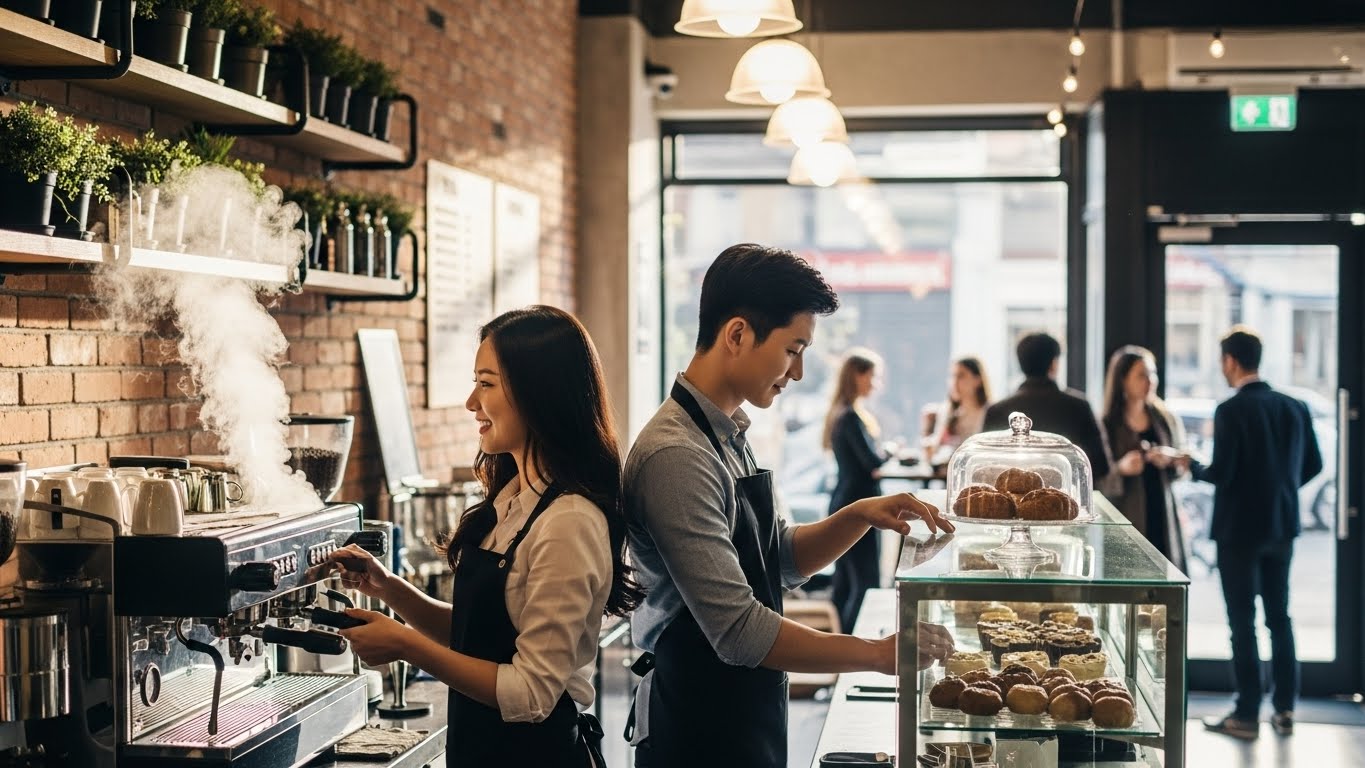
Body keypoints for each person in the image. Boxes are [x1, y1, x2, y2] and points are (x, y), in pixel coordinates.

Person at [623, 244, 956, 768]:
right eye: (792, 349)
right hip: (694, 728)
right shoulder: (675, 455)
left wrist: (858, 516)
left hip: (743, 711)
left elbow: (776, 558)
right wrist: (875, 654)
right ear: (737, 335)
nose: (797, 372)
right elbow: (738, 631)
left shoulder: (729, 435)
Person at [328, 306, 644, 767]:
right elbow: (477, 635)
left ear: (538, 394)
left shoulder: (569, 522)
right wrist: (390, 589)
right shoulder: (515, 502)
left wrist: (406, 645)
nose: (471, 402)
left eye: (487, 384)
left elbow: (532, 692)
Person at [1193, 327, 1322, 741]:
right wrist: (1281, 490)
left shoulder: (1230, 410)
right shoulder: (1295, 406)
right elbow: (1314, 464)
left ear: (1230, 361)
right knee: (1280, 618)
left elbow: (1221, 472)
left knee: (1242, 621)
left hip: (1238, 530)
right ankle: (1285, 709)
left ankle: (1246, 713)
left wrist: (1190, 465)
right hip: (1281, 525)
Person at [1100, 345, 1189, 572]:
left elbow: (1182, 467)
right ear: (1123, 380)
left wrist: (1171, 460)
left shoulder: (1165, 419)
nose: (1150, 381)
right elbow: (1095, 480)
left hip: (1162, 512)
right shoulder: (1107, 425)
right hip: (1125, 518)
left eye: (1153, 374)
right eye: (1142, 375)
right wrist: (1121, 468)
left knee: (1165, 575)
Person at [822, 348, 891, 633]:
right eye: (872, 376)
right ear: (857, 376)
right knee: (865, 582)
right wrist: (890, 452)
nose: (876, 384)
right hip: (858, 505)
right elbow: (871, 461)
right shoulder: (850, 417)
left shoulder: (843, 414)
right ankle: (854, 645)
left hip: (844, 500)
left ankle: (839, 646)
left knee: (845, 583)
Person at [984, 332, 1113, 483]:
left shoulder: (997, 410)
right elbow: (1100, 467)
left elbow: (987, 468)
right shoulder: (1079, 406)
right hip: (1066, 494)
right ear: (1054, 363)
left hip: (1010, 494)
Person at [921, 356, 992, 464]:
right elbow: (936, 448)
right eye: (952, 376)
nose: (954, 382)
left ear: (977, 380)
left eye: (961, 376)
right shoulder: (947, 411)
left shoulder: (990, 412)